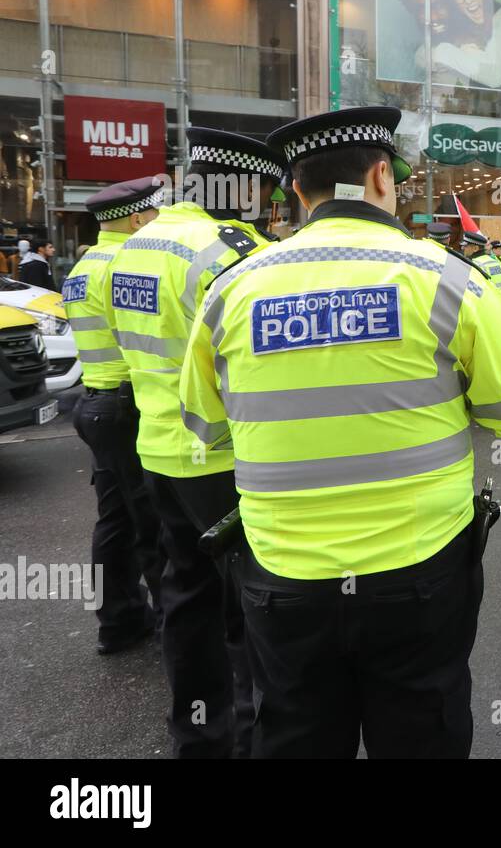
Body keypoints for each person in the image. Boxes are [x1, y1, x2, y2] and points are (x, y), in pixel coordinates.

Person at [179, 106, 501, 758]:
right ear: (382, 175)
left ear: (296, 188)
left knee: (292, 734)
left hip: (284, 578)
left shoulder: (231, 291)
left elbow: (205, 426)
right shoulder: (449, 280)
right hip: (417, 574)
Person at [108, 128, 284, 758]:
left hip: (158, 452)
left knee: (185, 596)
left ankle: (196, 734)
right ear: (241, 188)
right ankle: (246, 736)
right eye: (264, 192)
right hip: (225, 459)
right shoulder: (227, 252)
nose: (268, 206)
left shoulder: (137, 243)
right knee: (247, 610)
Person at [64, 179, 166, 654]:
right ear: (137, 218)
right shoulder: (128, 265)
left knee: (115, 518)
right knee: (152, 520)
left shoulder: (82, 267)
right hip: (128, 407)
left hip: (95, 404)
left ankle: (118, 620)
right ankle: (172, 620)